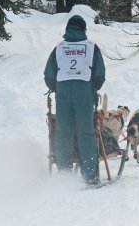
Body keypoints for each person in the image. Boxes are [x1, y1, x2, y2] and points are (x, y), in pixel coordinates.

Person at [44, 15, 105, 185]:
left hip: (63, 95)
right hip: (84, 94)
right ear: (83, 29)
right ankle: (90, 176)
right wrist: (92, 89)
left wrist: (58, 89)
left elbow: (49, 75)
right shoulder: (92, 48)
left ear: (68, 29)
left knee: (63, 133)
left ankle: (64, 174)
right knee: (86, 133)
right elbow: (99, 76)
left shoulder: (59, 48)